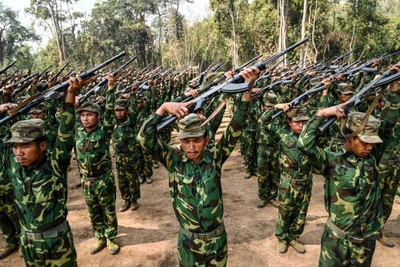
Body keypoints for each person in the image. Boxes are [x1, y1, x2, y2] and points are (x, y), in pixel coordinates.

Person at [137, 67, 260, 266]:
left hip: (216, 241)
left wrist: (248, 89)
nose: (192, 147)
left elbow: (236, 125)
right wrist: (163, 107)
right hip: (188, 243)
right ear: (179, 141)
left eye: (196, 140)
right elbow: (143, 138)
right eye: (186, 142)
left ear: (206, 139)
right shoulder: (173, 159)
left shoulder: (214, 157)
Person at [297, 67, 400, 266]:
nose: (369, 147)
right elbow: (304, 145)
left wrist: (393, 89)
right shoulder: (332, 160)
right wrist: (321, 114)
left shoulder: (373, 157)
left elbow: (388, 124)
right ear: (349, 138)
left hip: (365, 243)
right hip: (337, 241)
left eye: (372, 142)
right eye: (364, 141)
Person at [0, 75, 83, 266]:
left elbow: (65, 132)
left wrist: (71, 94)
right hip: (28, 244)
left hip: (57, 244)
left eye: (25, 146)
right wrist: (4, 104)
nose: (18, 152)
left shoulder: (54, 165)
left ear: (43, 145)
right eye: (15, 147)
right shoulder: (14, 165)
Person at [75, 73, 119, 255]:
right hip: (87, 180)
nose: (85, 118)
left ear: (97, 117)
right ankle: (99, 236)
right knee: (93, 211)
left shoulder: (104, 130)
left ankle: (110, 238)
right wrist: (72, 100)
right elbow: (63, 118)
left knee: (108, 209)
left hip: (103, 179)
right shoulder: (77, 131)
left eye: (89, 115)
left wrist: (110, 88)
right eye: (83, 115)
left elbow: (110, 112)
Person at [262, 104, 312, 254]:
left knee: (301, 212)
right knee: (285, 211)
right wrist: (277, 108)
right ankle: (282, 238)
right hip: (288, 182)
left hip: (305, 183)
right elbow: (264, 121)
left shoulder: (310, 137)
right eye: (297, 122)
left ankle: (294, 237)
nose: (301, 125)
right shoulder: (282, 134)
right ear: (290, 122)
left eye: (304, 122)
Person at [112, 97, 141, 212]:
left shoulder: (131, 121)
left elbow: (134, 111)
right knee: (122, 180)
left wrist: (133, 95)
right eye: (117, 110)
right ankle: (126, 200)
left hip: (130, 156)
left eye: (122, 110)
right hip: (119, 157)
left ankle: (134, 200)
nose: (119, 112)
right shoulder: (113, 123)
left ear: (127, 111)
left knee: (132, 179)